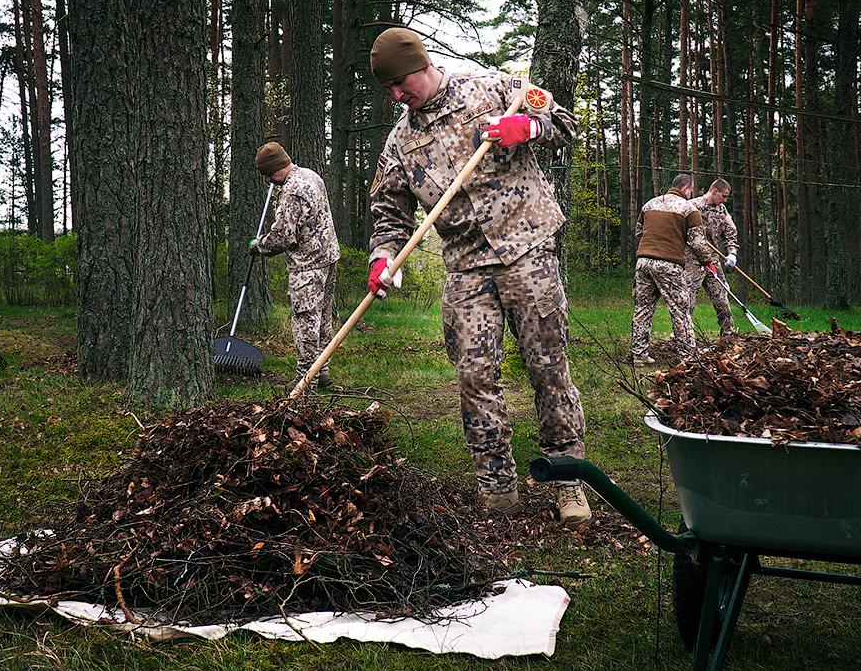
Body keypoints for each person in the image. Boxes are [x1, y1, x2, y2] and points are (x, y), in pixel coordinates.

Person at [365, 26, 591, 526]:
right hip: (465, 265)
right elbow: (389, 211)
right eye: (389, 90)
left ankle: (569, 478)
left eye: (401, 83)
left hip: (526, 249)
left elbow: (565, 126)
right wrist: (383, 257)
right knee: (474, 375)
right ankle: (496, 484)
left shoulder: (494, 89)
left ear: (423, 65)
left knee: (548, 366)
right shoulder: (401, 140)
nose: (397, 95)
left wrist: (528, 129)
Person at [250, 141, 341, 389]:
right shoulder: (310, 175)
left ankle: (305, 381)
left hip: (308, 265)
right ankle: (322, 372)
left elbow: (283, 236)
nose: (268, 180)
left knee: (306, 321)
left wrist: (259, 245)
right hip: (328, 257)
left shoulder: (292, 192)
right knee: (322, 319)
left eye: (268, 175)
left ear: (275, 168)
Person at [630, 173, 713, 365]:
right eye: (691, 189)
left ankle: (639, 355)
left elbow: (639, 232)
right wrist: (706, 262)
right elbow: (697, 242)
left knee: (643, 308)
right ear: (686, 188)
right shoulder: (689, 209)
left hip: (643, 262)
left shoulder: (649, 205)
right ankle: (688, 357)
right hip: (669, 264)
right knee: (680, 310)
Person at [686, 179, 739, 337]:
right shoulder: (692, 206)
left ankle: (728, 336)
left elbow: (730, 231)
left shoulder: (721, 210)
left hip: (713, 262)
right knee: (687, 300)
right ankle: (682, 337)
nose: (725, 200)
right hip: (692, 261)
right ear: (714, 191)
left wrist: (732, 253)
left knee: (722, 297)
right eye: (723, 196)